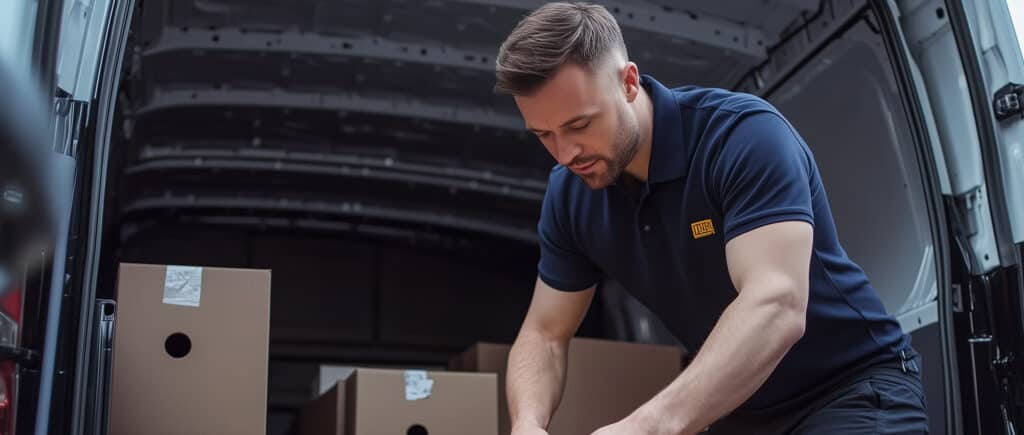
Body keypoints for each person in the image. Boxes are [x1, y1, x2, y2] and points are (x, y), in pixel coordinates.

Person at [492, 2, 929, 434]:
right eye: (544, 134)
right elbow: (545, 333)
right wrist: (527, 425)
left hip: (849, 388)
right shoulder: (569, 194)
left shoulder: (742, 136)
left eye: (579, 125)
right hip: (739, 409)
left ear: (628, 83)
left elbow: (776, 303)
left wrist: (649, 425)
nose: (565, 153)